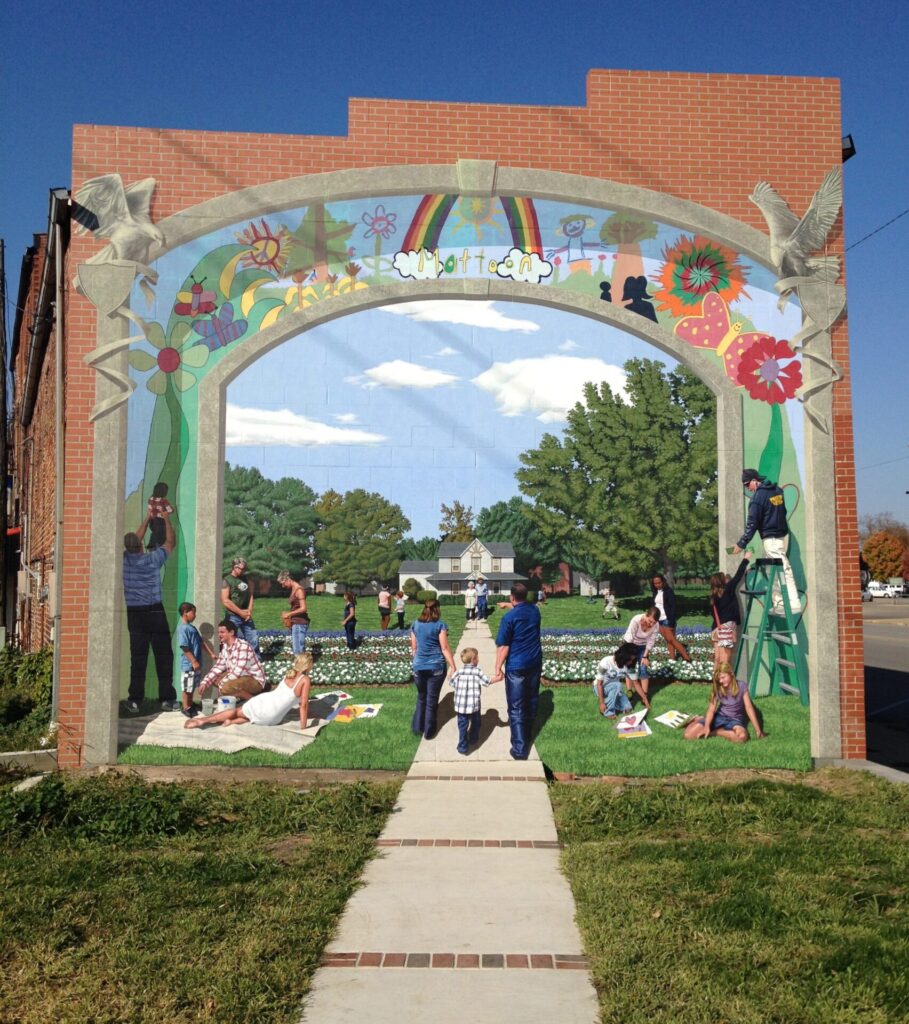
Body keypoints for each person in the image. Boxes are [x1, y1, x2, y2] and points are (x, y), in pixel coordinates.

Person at [123, 509, 179, 713]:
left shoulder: (125, 560)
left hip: (134, 614)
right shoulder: (152, 559)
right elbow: (170, 542)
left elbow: (132, 542)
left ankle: (134, 700)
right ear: (140, 546)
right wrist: (165, 517)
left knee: (138, 657)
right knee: (164, 655)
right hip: (155, 612)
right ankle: (167, 699)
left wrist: (147, 517)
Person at [733, 469, 802, 615]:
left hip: (771, 538)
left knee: (783, 569)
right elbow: (782, 512)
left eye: (747, 485)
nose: (747, 488)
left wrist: (741, 543)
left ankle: (793, 603)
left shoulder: (757, 498)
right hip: (782, 535)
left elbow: (752, 524)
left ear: (754, 480)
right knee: (773, 571)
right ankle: (779, 604)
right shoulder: (777, 491)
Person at [186, 653, 314, 731]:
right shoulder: (305, 680)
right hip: (273, 718)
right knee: (250, 716)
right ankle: (231, 721)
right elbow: (303, 705)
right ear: (308, 665)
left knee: (238, 711)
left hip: (268, 704)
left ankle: (203, 720)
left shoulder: (290, 674)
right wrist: (303, 727)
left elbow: (283, 696)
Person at [492, 582, 543, 760]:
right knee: (531, 700)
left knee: (516, 707)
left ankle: (520, 749)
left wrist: (497, 667)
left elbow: (504, 645)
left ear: (512, 597)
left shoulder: (509, 619)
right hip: (534, 663)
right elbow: (523, 609)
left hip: (516, 666)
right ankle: (527, 736)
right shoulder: (535, 611)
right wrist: (510, 605)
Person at [684, 662, 766, 743]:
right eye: (719, 679)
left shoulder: (742, 686)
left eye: (723, 677)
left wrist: (758, 730)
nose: (721, 681)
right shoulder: (718, 688)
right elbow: (711, 710)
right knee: (688, 735)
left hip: (735, 720)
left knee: (742, 738)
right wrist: (706, 726)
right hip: (719, 717)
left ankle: (717, 732)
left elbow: (749, 708)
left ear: (731, 674)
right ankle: (695, 719)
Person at [410, 598, 457, 740]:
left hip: (419, 667)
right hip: (436, 667)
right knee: (431, 700)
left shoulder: (415, 625)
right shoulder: (440, 625)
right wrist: (453, 666)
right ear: (437, 609)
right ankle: (429, 732)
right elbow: (444, 648)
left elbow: (414, 648)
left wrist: (418, 661)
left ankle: (417, 728)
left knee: (421, 697)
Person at [199, 619, 267, 701]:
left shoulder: (243, 646)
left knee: (225, 687)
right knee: (214, 679)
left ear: (231, 632)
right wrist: (205, 682)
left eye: (222, 632)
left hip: (254, 680)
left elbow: (238, 672)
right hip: (241, 676)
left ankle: (254, 701)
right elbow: (218, 667)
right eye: (218, 632)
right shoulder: (225, 647)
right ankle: (238, 695)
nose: (219, 635)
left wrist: (222, 686)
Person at [709, 552, 752, 668]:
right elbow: (738, 575)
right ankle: (725, 683)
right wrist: (746, 559)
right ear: (722, 582)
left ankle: (717, 682)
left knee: (718, 659)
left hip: (716, 629)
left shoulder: (712, 596)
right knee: (725, 660)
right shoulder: (728, 590)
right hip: (727, 629)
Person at [175, 601, 216, 719]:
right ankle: (186, 707)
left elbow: (201, 642)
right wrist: (193, 661)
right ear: (185, 613)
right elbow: (184, 647)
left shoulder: (192, 628)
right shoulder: (183, 629)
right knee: (187, 688)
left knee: (191, 686)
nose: (195, 615)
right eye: (193, 612)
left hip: (195, 664)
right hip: (189, 664)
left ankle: (190, 704)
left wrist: (211, 654)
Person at [449, 646, 493, 754]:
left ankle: (462, 746)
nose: (478, 660)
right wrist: (498, 678)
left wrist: (449, 676)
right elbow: (487, 681)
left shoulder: (459, 672)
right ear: (473, 660)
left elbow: (451, 683)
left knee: (462, 726)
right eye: (477, 658)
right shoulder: (477, 672)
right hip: (474, 705)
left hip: (461, 706)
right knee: (476, 722)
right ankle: (473, 739)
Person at [622, 607, 661, 709]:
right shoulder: (636, 620)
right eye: (650, 621)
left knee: (643, 669)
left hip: (643, 647)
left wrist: (645, 656)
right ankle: (630, 693)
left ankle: (645, 697)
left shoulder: (656, 625)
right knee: (630, 669)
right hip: (631, 645)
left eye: (654, 622)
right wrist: (630, 655)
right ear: (646, 615)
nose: (652, 624)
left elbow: (651, 641)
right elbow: (629, 638)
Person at [221, 557, 260, 654]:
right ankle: (232, 662)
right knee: (232, 641)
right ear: (234, 567)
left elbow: (250, 594)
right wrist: (240, 613)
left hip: (246, 615)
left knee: (253, 639)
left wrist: (249, 610)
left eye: (244, 569)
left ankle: (255, 662)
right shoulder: (227, 580)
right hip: (233, 616)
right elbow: (225, 600)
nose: (242, 571)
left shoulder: (245, 579)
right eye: (240, 568)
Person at [592, 642, 640, 718]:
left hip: (614, 689)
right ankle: (607, 711)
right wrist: (601, 702)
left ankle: (613, 701)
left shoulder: (627, 666)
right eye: (630, 659)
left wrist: (646, 701)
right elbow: (599, 684)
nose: (631, 662)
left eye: (632, 660)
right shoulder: (606, 661)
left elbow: (636, 683)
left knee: (628, 708)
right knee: (617, 684)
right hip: (599, 688)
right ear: (624, 656)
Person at [651, 574, 691, 662]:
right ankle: (672, 659)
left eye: (659, 583)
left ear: (663, 582)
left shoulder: (669, 591)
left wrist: (672, 621)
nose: (657, 585)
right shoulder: (655, 592)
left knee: (672, 640)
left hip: (667, 619)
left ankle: (687, 658)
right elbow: (655, 605)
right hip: (658, 620)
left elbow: (673, 607)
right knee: (668, 641)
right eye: (655, 583)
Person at [278, 570, 310, 654]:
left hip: (300, 623)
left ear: (287, 579)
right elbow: (296, 606)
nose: (282, 586)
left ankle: (303, 666)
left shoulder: (299, 590)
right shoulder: (293, 589)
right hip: (296, 622)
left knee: (299, 650)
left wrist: (289, 614)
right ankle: (300, 666)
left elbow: (304, 608)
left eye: (283, 583)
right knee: (297, 650)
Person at [145, 481, 174, 551]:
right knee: (162, 535)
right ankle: (158, 546)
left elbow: (150, 508)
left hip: (152, 521)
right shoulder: (163, 501)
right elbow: (170, 510)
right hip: (160, 521)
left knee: (155, 533)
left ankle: (152, 545)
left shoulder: (150, 499)